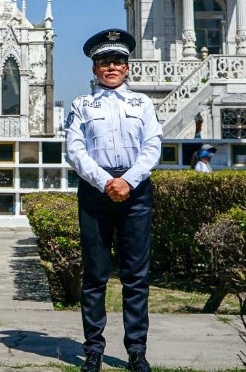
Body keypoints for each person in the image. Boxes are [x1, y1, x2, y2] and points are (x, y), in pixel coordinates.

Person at [65, 28, 163, 372]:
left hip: (135, 192)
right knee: (95, 275)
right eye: (104, 61)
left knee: (136, 276)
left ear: (127, 67)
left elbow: (153, 147)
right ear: (94, 68)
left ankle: (136, 351)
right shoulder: (81, 105)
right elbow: (75, 151)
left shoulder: (143, 104)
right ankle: (93, 349)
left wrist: (127, 181)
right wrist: (108, 182)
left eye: (118, 60)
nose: (111, 66)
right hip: (96, 192)